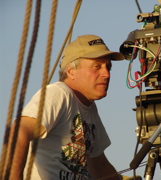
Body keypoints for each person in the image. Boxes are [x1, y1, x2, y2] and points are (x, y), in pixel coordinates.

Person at [5, 34, 125, 180]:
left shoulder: (89, 108)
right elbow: (19, 131)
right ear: (70, 71)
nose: (106, 74)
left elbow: (99, 166)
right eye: (97, 67)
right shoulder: (59, 94)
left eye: (108, 67)